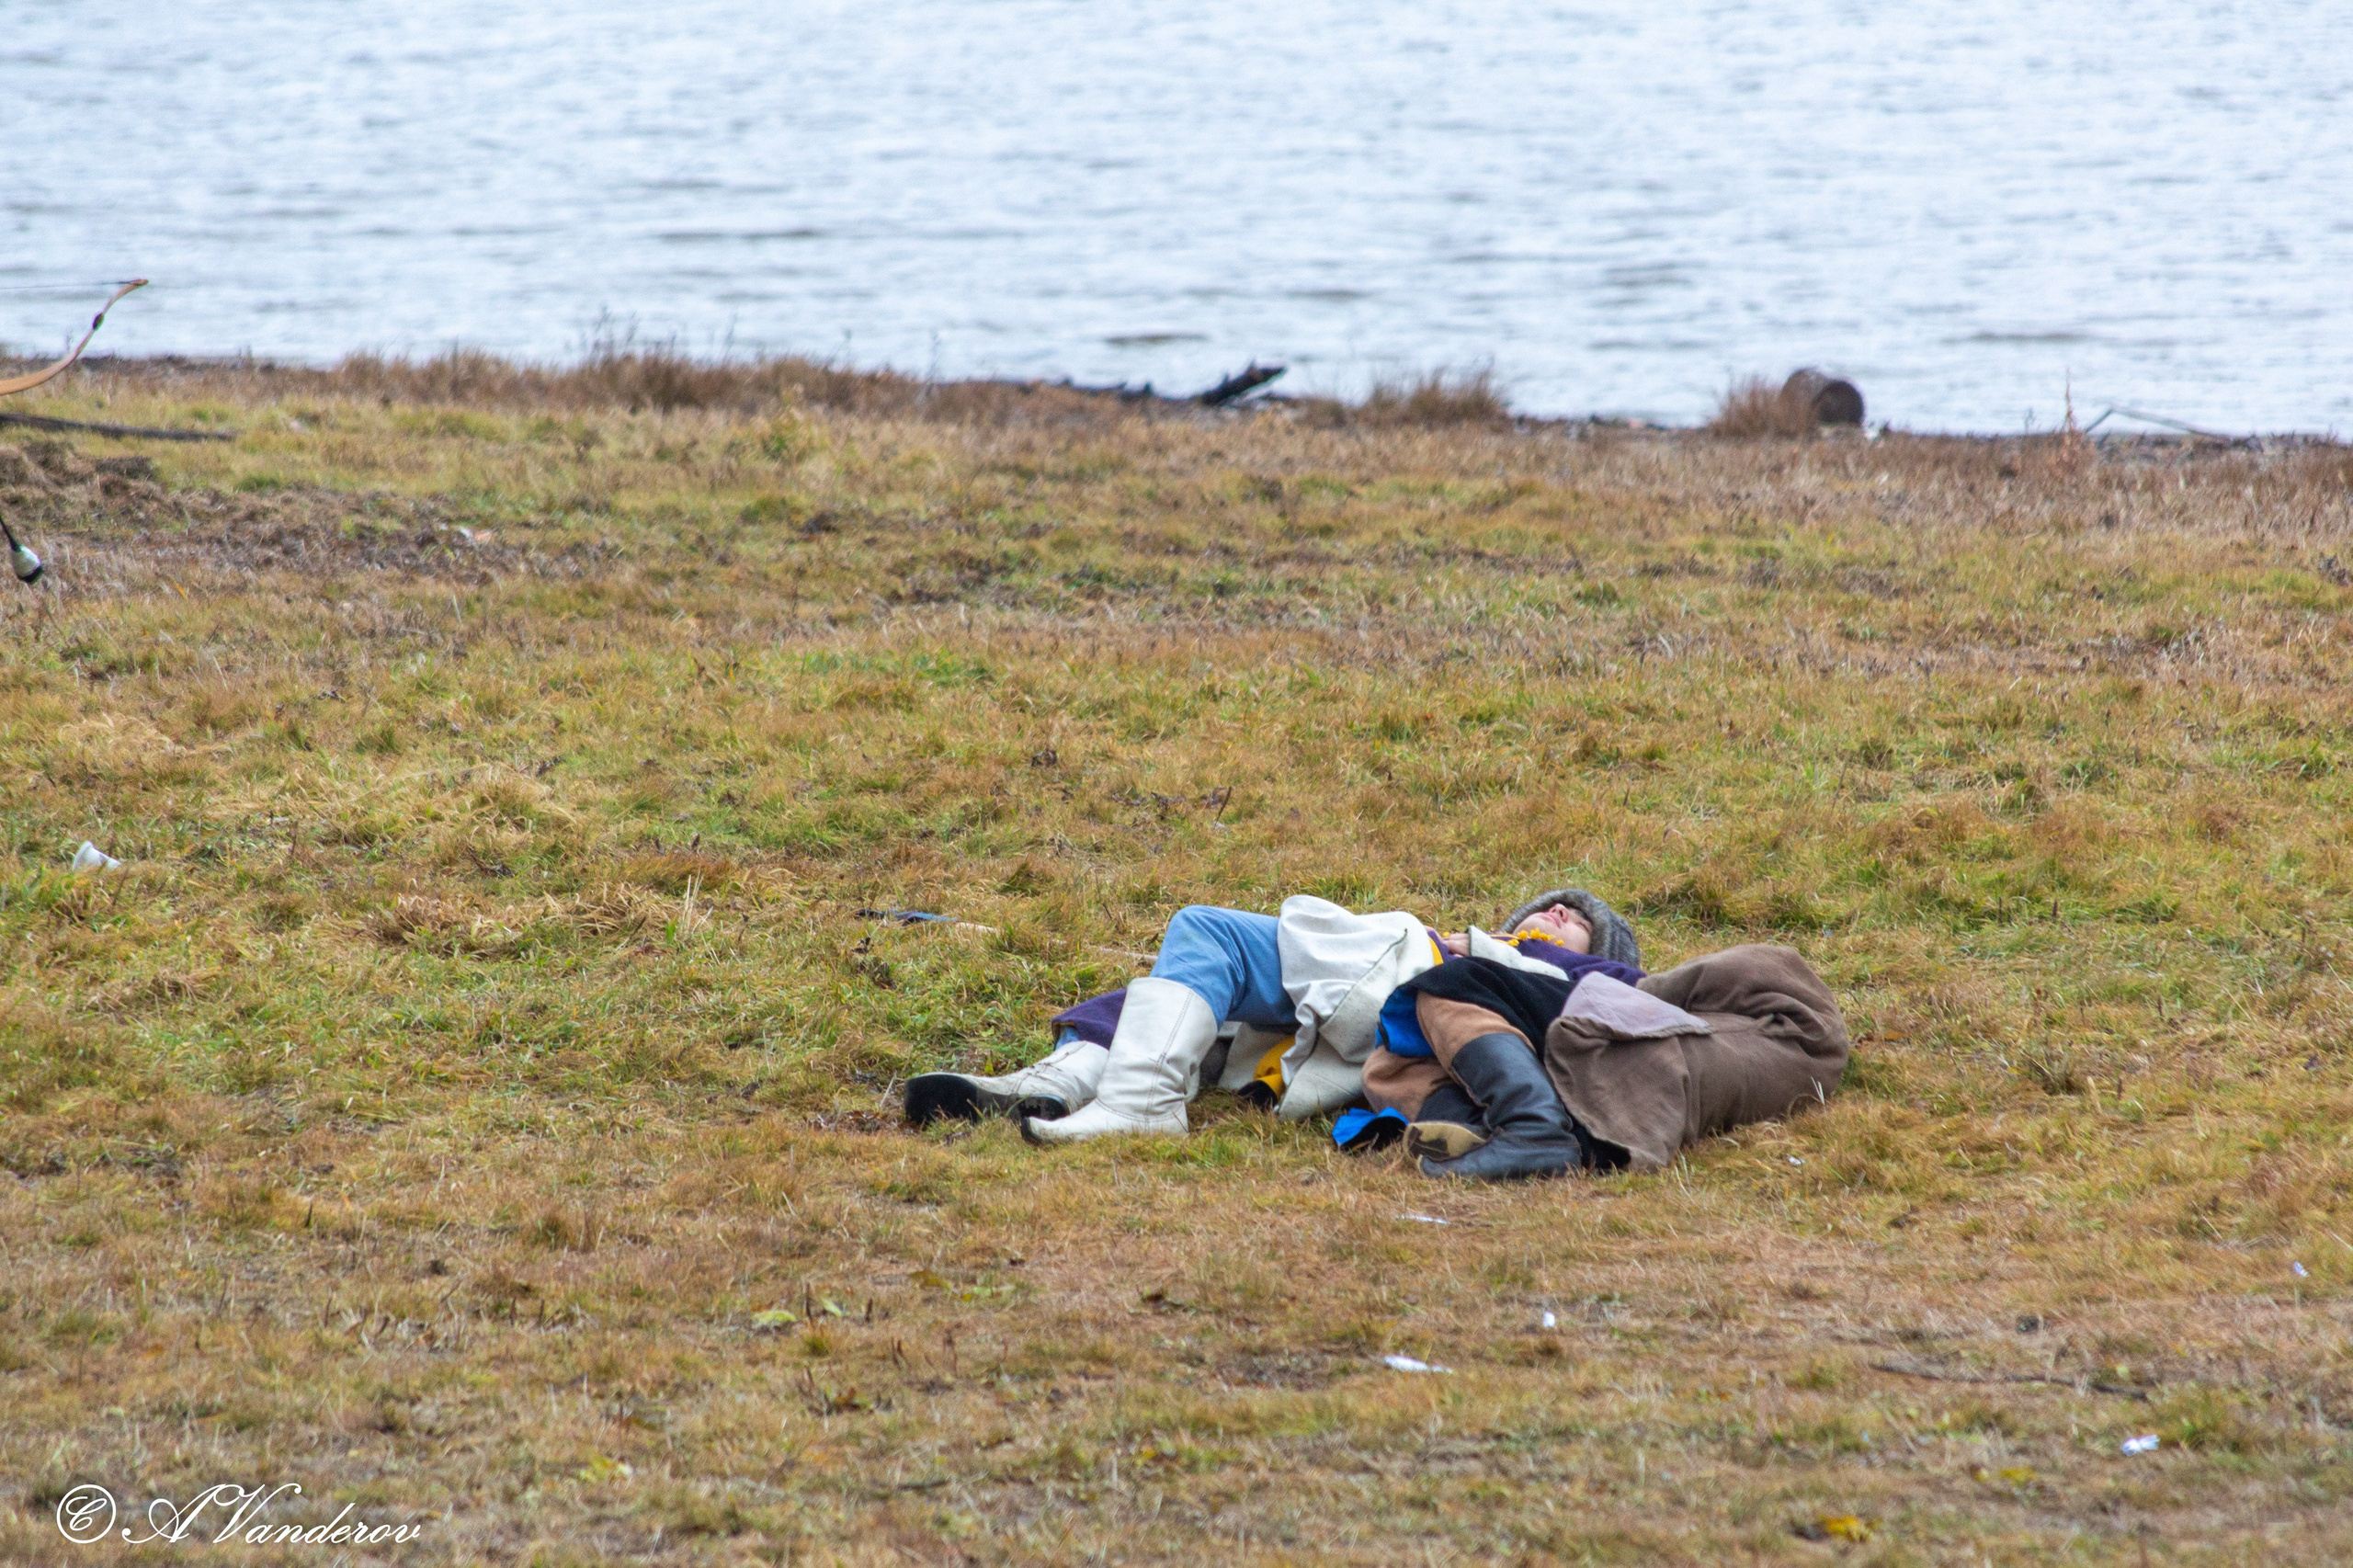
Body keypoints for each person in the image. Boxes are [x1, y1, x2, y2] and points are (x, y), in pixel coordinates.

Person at [903, 887, 1641, 1146]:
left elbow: (1628, 989)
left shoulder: (1579, 979)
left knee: (1207, 933)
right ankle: (1056, 1083)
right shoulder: (1486, 948)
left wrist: (1486, 949)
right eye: (1550, 902)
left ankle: (1140, 1103)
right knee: (1173, 984)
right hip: (1367, 998)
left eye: (1578, 919)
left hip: (1397, 994)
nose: (1559, 911)